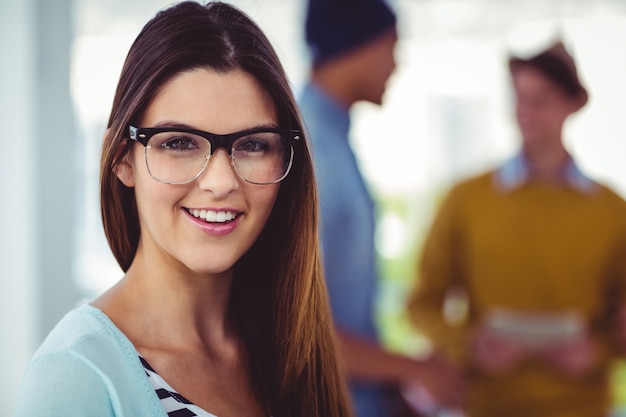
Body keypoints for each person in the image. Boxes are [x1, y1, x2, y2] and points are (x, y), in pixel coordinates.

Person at [13, 2, 353, 416]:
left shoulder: (293, 350)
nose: (221, 181)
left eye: (253, 145)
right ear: (122, 158)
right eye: (179, 142)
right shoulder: (74, 377)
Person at [407, 39, 626, 417]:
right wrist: (468, 344)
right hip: (485, 407)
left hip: (584, 408)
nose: (525, 112)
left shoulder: (612, 211)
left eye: (540, 100)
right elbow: (421, 304)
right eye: (519, 99)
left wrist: (600, 350)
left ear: (575, 103)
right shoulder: (465, 200)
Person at [298, 0, 465, 416]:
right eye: (393, 47)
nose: (396, 65)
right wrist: (416, 369)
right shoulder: (312, 154)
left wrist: (394, 386)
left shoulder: (331, 141)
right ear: (362, 44)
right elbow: (294, 329)